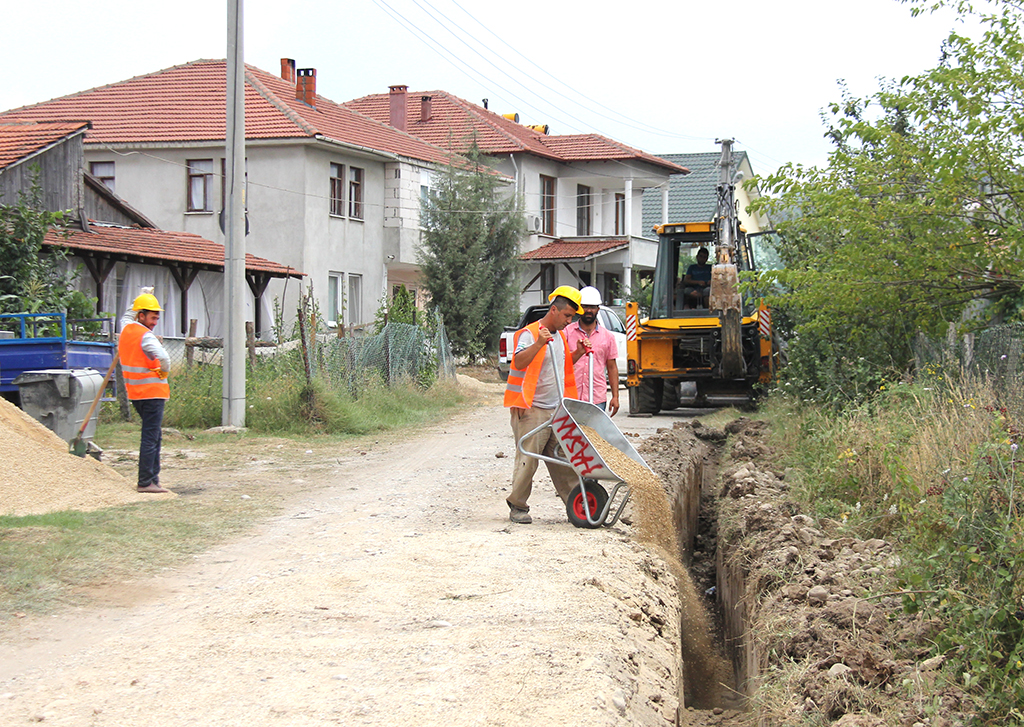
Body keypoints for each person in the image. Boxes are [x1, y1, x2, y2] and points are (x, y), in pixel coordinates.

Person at [503, 285, 591, 524]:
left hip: (556, 409)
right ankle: (517, 506)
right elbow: (519, 362)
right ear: (554, 310)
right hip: (532, 409)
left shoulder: (560, 337)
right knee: (528, 458)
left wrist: (579, 353)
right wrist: (538, 343)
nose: (569, 321)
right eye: (567, 316)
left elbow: (559, 367)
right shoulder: (530, 334)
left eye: (571, 317)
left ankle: (579, 504)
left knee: (563, 459)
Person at [118, 287, 171, 493]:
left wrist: (140, 295)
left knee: (154, 435)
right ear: (141, 315)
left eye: (157, 318)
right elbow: (164, 358)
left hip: (136, 393)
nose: (155, 322)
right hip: (152, 393)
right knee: (151, 437)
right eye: (152, 317)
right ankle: (146, 481)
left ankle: (152, 480)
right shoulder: (146, 337)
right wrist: (163, 373)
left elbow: (126, 315)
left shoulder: (126, 329)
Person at [564, 286, 620, 416]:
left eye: (592, 307)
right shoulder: (566, 333)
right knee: (572, 435)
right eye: (585, 306)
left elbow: (612, 368)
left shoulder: (608, 337)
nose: (588, 310)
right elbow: (561, 363)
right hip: (571, 397)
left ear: (598, 309)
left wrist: (615, 396)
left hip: (597, 399)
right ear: (579, 308)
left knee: (593, 434)